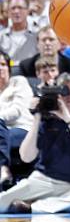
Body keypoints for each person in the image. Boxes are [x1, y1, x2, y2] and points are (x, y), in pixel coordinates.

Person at [0, 73, 70, 214]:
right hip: (42, 181)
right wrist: (36, 117)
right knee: (1, 202)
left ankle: (33, 207)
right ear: (58, 94)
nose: (69, 96)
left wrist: (67, 117)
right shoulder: (47, 121)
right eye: (65, 91)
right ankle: (46, 206)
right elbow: (26, 157)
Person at [0, 50, 33, 188]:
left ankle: (3, 168)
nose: (0, 68)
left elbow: (17, 111)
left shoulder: (19, 82)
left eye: (3, 64)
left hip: (21, 128)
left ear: (9, 67)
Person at [0, 0, 37, 65]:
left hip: (30, 73)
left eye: (20, 8)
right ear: (8, 12)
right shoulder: (1, 36)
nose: (16, 11)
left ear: (28, 11)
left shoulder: (37, 34)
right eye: (13, 8)